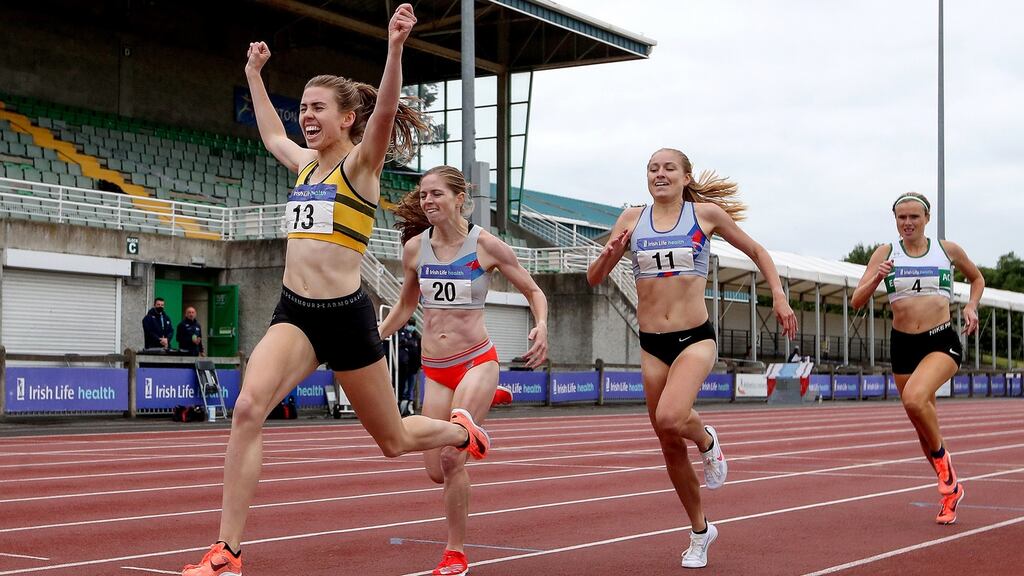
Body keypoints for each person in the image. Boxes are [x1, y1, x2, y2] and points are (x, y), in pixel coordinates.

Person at [182, 7, 490, 576]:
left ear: (348, 118)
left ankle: (459, 429)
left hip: (346, 317)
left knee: (395, 441)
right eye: (303, 106)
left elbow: (389, 111)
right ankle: (228, 550)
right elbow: (271, 130)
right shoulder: (303, 164)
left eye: (317, 107)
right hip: (294, 312)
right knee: (248, 408)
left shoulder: (360, 168)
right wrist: (253, 73)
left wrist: (395, 47)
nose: (306, 116)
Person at [587, 148, 797, 569]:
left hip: (694, 339)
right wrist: (612, 251)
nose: (659, 174)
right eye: (652, 168)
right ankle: (701, 531)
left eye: (668, 168)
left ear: (685, 177)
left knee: (670, 417)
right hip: (651, 342)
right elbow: (594, 278)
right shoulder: (631, 219)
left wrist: (778, 294)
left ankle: (707, 440)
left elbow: (758, 252)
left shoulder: (705, 215)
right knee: (667, 444)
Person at [379, 165, 549, 575]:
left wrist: (541, 324)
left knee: (455, 461)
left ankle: (455, 553)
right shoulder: (415, 248)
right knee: (435, 470)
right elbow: (405, 305)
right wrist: (375, 335)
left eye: (436, 194)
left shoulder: (486, 246)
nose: (428, 202)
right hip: (435, 370)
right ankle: (484, 404)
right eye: (423, 195)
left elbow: (532, 290)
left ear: (460, 199)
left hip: (476, 359)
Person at [852, 192, 983, 525]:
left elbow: (977, 278)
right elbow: (856, 300)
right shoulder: (885, 252)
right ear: (895, 220)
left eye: (913, 217)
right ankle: (951, 492)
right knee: (923, 429)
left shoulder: (946, 250)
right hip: (903, 345)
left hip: (941, 340)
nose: (907, 223)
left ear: (926, 218)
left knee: (914, 399)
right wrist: (877, 278)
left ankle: (945, 465)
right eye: (901, 218)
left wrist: (970, 306)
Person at [397, 318, 421, 414]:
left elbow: (418, 350)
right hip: (405, 365)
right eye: (410, 324)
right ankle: (403, 405)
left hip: (414, 366)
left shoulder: (416, 336)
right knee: (404, 386)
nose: (411, 326)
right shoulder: (403, 334)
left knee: (411, 387)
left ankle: (409, 405)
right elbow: (402, 344)